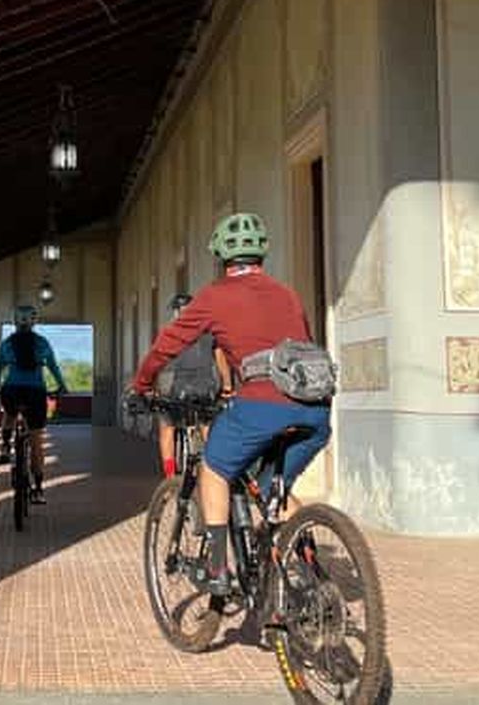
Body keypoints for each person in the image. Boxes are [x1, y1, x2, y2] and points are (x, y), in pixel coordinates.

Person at [132, 213, 331, 595]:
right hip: (316, 410)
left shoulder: (215, 295)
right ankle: (315, 578)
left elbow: (168, 344)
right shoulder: (287, 293)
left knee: (214, 468)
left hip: (261, 407)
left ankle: (218, 569)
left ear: (221, 257)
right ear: (262, 256)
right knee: (274, 491)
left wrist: (141, 383)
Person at [0, 304, 68, 504]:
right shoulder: (42, 343)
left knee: (10, 414)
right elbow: (54, 367)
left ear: (15, 321)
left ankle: (5, 446)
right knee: (36, 438)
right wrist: (62, 386)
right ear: (34, 321)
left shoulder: (7, 344)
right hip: (35, 393)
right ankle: (39, 489)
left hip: (11, 391)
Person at [155, 292, 233, 478]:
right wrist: (228, 386)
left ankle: (170, 478)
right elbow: (221, 359)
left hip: (177, 391)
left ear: (176, 313)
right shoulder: (209, 333)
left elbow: (158, 361)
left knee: (167, 429)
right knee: (207, 427)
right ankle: (213, 474)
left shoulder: (169, 333)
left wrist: (152, 388)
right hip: (206, 389)